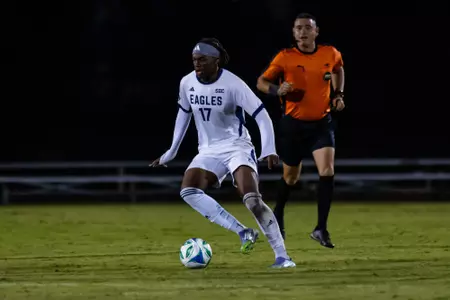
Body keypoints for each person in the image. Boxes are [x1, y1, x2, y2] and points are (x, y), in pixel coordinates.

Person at [150, 38, 296, 268]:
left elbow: (261, 115)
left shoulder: (233, 84)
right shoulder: (187, 83)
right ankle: (242, 231)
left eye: (202, 60)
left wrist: (269, 148)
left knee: (252, 200)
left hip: (237, 146)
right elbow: (183, 115)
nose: (197, 64)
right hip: (208, 150)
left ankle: (283, 257)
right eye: (194, 60)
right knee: (188, 190)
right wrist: (171, 152)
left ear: (216, 61)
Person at [256, 13, 345, 248]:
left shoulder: (330, 53)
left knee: (327, 171)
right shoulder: (285, 57)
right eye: (298, 28)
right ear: (293, 33)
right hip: (293, 125)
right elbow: (261, 82)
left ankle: (321, 229)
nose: (302, 32)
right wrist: (278, 90)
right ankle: (278, 213)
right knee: (291, 177)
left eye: (307, 28)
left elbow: (338, 70)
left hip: (321, 124)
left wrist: (338, 95)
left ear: (316, 32)